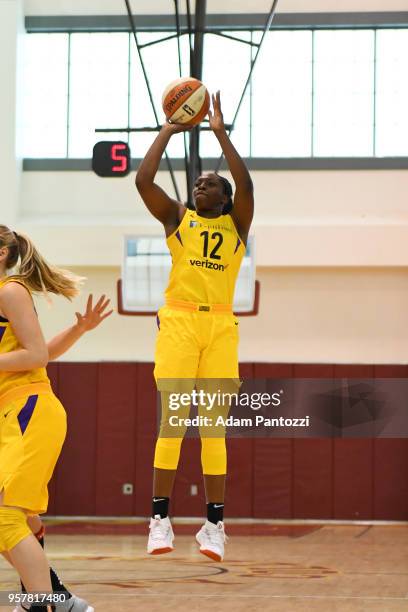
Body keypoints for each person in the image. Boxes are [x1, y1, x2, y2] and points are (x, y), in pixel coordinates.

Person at [136, 91, 254, 561]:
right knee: (173, 422)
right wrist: (169, 129)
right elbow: (144, 180)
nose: (199, 187)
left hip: (221, 328)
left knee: (213, 431)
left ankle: (214, 526)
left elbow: (248, 188)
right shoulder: (178, 220)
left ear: (224, 200)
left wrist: (221, 136)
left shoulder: (237, 226)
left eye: (209, 184)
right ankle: (159, 519)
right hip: (181, 322)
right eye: (197, 184)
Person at [0, 226, 112, 612]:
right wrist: (78, 329)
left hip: (29, 409)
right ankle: (58, 598)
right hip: (14, 415)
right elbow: (35, 350)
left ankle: (42, 605)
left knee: (5, 517)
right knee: (16, 519)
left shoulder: (9, 290)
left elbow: (34, 358)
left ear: (1, 253)